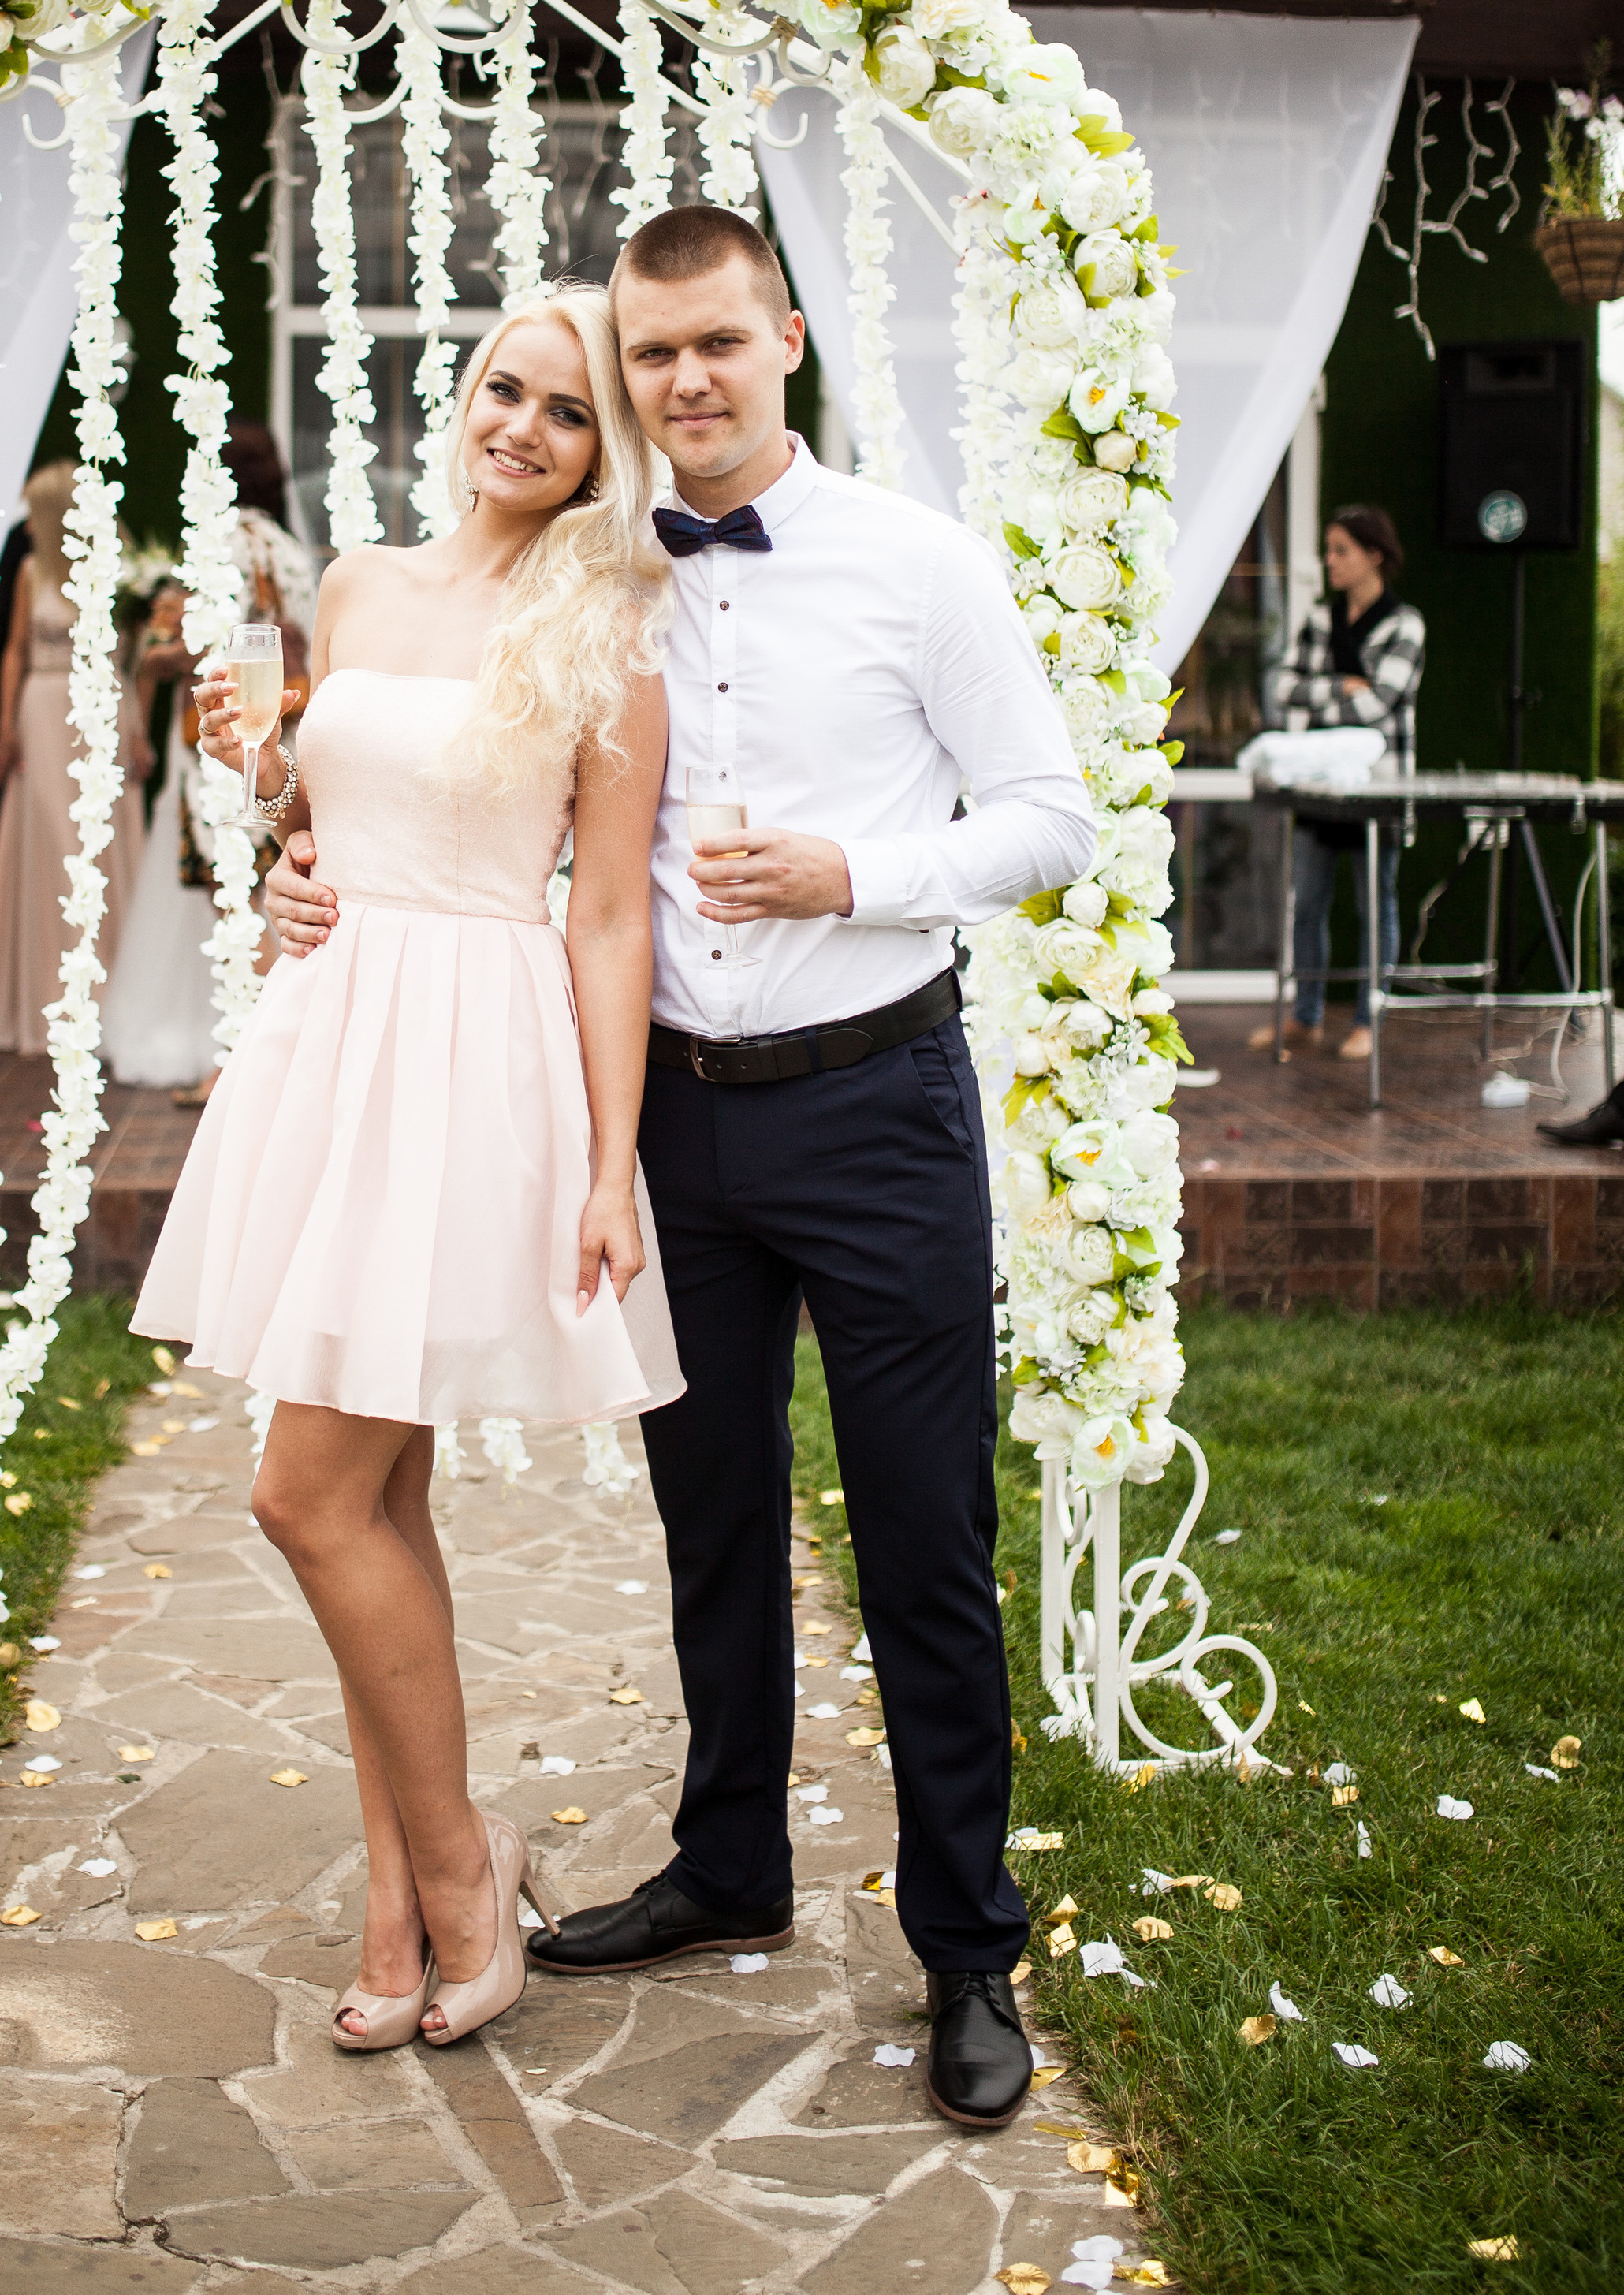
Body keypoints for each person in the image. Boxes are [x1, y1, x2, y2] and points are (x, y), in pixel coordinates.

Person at [259, 205, 1097, 2131]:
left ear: (783, 335)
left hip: (874, 1097)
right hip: (664, 1118)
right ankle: (727, 1864)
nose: (683, 381)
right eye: (652, 357)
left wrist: (855, 874)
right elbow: (482, 808)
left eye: (715, 343)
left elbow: (1049, 812)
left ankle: (967, 1944)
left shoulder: (915, 561)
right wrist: (313, 855)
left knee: (917, 1535)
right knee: (706, 1519)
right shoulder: (589, 577)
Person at [137, 290, 684, 2056]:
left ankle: (457, 1865)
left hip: (474, 1057)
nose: (521, 425)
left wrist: (609, 1165)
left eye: (567, 411)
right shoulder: (361, 583)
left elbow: (602, 911)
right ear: (463, 397)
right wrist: (277, 822)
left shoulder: (606, 625)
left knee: (304, 1496)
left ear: (606, 449)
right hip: (332, 1033)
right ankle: (401, 1901)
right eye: (500, 389)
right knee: (375, 1501)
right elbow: (326, 813)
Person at [100, 420, 319, 1097]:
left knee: (236, 899)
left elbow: (201, 650)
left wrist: (154, 651)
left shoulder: (216, 547)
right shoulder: (289, 552)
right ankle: (271, 1049)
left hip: (224, 741)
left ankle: (236, 1061)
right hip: (285, 732)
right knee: (264, 891)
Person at [1252, 503, 1425, 1064]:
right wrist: (1342, 688)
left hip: (1380, 789)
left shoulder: (1406, 624)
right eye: (1328, 550)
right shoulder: (1323, 619)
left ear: (1374, 555)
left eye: (1340, 550)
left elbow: (1380, 702)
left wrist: (1329, 692)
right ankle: (1306, 1017)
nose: (1330, 561)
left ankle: (1367, 1020)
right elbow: (1279, 685)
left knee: (1377, 904)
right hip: (1320, 788)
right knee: (1308, 905)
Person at [0, 460, 147, 1054]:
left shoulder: (117, 572)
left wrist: (136, 725)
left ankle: (112, 990)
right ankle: (50, 992)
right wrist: (7, 728)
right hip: (46, 707)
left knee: (101, 846)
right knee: (53, 843)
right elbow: (16, 651)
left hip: (102, 709)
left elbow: (133, 658)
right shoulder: (31, 572)